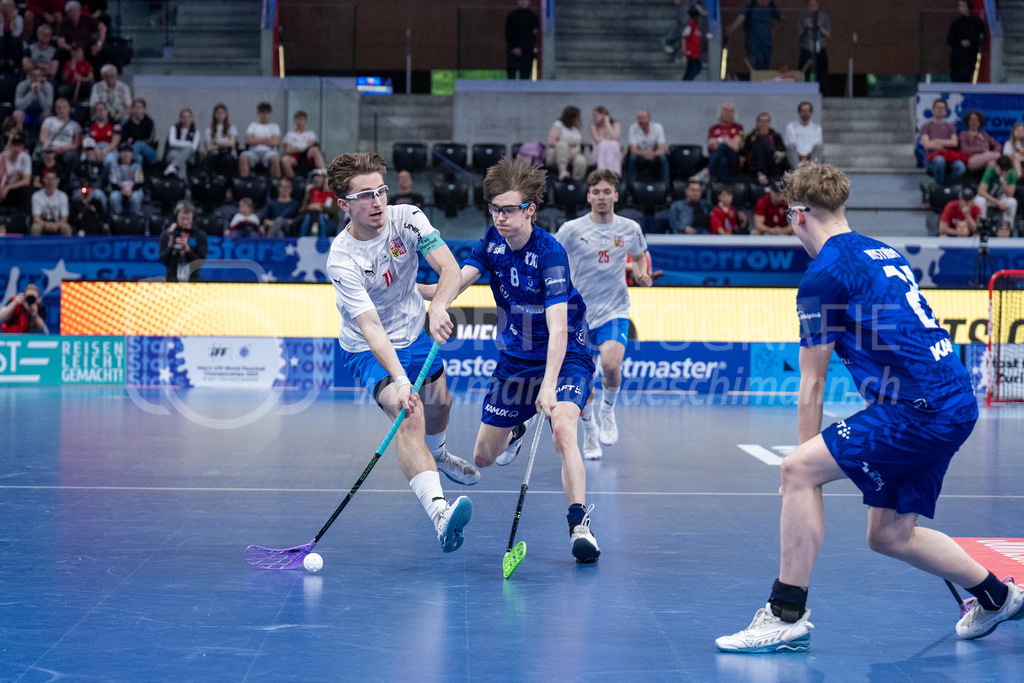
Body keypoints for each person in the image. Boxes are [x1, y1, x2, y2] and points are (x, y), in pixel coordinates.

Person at [715, 161, 1023, 653]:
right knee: (890, 534)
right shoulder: (883, 251)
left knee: (798, 469)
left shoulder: (823, 275)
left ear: (797, 215)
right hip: (954, 399)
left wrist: (799, 467)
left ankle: (785, 613)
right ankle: (995, 595)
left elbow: (812, 383)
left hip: (918, 410)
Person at [419, 155, 601, 564]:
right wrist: (415, 292)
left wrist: (550, 387)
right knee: (484, 456)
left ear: (529, 209)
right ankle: (516, 428)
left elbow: (557, 329)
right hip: (516, 360)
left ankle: (579, 526)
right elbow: (454, 284)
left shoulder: (550, 253)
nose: (500, 217)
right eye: (494, 209)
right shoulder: (491, 241)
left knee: (563, 430)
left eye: (508, 209)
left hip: (566, 352)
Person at [324, 152, 479, 554]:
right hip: (370, 349)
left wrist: (439, 306)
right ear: (344, 204)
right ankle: (441, 514)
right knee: (410, 413)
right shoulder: (342, 259)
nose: (377, 202)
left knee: (441, 405)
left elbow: (449, 269)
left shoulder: (407, 218)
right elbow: (371, 326)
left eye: (381, 191)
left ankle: (440, 452)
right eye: (365, 195)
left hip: (415, 330)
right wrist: (398, 378)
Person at [556, 169, 652, 460]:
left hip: (615, 308)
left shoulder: (630, 228)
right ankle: (590, 431)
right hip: (578, 315)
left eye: (606, 191)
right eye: (596, 192)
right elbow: (552, 256)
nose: (601, 197)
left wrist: (641, 272)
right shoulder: (572, 230)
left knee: (611, 365)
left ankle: (608, 412)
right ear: (588, 196)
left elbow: (637, 257)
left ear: (615, 196)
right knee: (584, 381)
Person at [158, 200, 208, 283]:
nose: (185, 222)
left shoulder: (200, 235)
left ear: (193, 217)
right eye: (182, 218)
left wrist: (188, 250)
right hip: (172, 280)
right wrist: (170, 246)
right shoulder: (168, 234)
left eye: (188, 219)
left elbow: (200, 262)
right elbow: (163, 260)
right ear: (176, 217)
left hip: (193, 280)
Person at [919, 98, 965, 186]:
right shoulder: (926, 126)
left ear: (946, 112)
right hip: (932, 159)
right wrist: (946, 142)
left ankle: (947, 186)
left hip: (949, 158)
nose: (940, 110)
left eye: (942, 108)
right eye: (937, 107)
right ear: (932, 110)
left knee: (960, 167)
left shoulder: (950, 126)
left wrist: (936, 141)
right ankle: (938, 186)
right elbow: (927, 145)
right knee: (940, 161)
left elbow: (954, 143)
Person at [727, 0, 781, 71]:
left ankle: (763, 80)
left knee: (766, 63)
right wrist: (731, 29)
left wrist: (773, 30)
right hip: (753, 40)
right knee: (759, 61)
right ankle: (757, 80)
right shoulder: (751, 5)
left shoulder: (772, 6)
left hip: (767, 41)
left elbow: (780, 19)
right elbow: (741, 18)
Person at [625, 109, 670, 188]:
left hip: (654, 155)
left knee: (663, 158)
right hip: (640, 156)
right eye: (639, 118)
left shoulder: (658, 127)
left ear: (649, 118)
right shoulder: (633, 128)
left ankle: (666, 187)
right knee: (632, 158)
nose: (641, 120)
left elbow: (662, 149)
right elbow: (633, 150)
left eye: (643, 118)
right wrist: (644, 153)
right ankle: (630, 188)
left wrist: (653, 153)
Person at [703, 102, 745, 183]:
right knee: (723, 160)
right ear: (720, 113)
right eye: (725, 110)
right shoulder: (714, 128)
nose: (728, 113)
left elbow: (736, 146)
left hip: (733, 158)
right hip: (718, 158)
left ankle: (707, 170)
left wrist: (719, 141)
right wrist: (728, 141)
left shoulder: (738, 128)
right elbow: (710, 145)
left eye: (730, 111)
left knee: (722, 147)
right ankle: (722, 187)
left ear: (734, 114)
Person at [973, 155, 1018, 228]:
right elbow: (981, 191)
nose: (1003, 172)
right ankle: (981, 226)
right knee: (980, 200)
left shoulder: (1012, 173)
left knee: (1012, 202)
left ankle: (1008, 227)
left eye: (1006, 171)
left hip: (1001, 198)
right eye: (1001, 170)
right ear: (997, 166)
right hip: (989, 198)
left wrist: (1003, 182)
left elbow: (1010, 194)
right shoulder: (990, 171)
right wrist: (997, 202)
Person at [239, 102, 281, 179]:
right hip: (253, 152)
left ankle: (275, 183)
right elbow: (248, 141)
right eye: (262, 112)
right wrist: (267, 139)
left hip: (269, 152)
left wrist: (256, 139)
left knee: (275, 159)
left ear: (270, 113)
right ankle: (245, 183)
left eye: (266, 112)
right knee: (243, 157)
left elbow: (275, 142)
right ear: (258, 114)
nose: (264, 115)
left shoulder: (274, 126)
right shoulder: (253, 125)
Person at [743, 111, 787, 185]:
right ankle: (761, 172)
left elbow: (782, 149)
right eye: (761, 121)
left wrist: (777, 153)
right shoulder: (751, 137)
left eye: (766, 121)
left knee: (765, 140)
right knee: (761, 140)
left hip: (772, 160)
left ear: (769, 123)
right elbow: (745, 151)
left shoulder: (775, 136)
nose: (764, 123)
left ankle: (762, 173)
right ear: (757, 123)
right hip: (755, 162)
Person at [948, 0, 986, 83]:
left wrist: (971, 42)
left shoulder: (976, 22)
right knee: (956, 77)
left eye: (963, 6)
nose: (960, 8)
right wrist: (960, 42)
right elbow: (950, 39)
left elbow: (981, 37)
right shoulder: (956, 24)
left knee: (965, 76)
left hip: (970, 56)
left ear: (968, 7)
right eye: (960, 6)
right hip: (957, 56)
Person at [38, 97, 81, 170]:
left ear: (69, 108)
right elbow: (42, 137)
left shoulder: (75, 125)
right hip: (51, 147)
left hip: (67, 149)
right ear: (56, 109)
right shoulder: (49, 121)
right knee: (45, 154)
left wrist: (67, 148)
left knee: (72, 156)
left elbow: (76, 143)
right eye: (59, 108)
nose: (62, 110)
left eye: (64, 107)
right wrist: (53, 147)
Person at [797, 0, 830, 94]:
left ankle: (823, 92)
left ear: (818, 6)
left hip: (820, 48)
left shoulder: (824, 17)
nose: (812, 8)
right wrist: (805, 25)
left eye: (814, 5)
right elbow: (798, 35)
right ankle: (804, 91)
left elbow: (828, 34)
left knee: (822, 72)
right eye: (810, 5)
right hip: (806, 48)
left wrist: (818, 26)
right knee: (804, 71)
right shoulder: (802, 17)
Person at [546, 106, 587, 181]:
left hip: (572, 154)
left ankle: (576, 181)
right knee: (562, 144)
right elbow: (550, 141)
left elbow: (576, 141)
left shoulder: (574, 129)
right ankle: (563, 172)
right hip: (557, 154)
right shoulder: (558, 125)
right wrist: (568, 144)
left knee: (581, 160)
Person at [281, 110, 325, 179]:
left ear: (305, 121)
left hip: (307, 155)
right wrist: (304, 147)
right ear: (294, 121)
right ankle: (293, 181)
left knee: (315, 150)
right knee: (285, 160)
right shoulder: (290, 134)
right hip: (295, 156)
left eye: (302, 120)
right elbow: (288, 150)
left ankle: (324, 173)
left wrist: (297, 149)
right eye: (298, 119)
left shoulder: (310, 134)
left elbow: (312, 145)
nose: (300, 122)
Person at [297, 167, 339, 237]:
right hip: (311, 218)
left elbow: (334, 213)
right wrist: (311, 207)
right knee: (308, 216)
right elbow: (302, 209)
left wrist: (321, 207)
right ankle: (303, 238)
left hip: (329, 222)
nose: (327, 185)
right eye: (325, 183)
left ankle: (321, 239)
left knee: (320, 216)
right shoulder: (313, 193)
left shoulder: (334, 197)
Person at [117, 97, 156, 167]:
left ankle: (125, 164)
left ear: (144, 110)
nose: (137, 110)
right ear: (132, 109)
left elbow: (149, 140)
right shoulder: (127, 122)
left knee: (139, 144)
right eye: (135, 107)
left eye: (140, 108)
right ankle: (135, 176)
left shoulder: (149, 122)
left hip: (148, 151)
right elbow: (123, 138)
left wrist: (133, 140)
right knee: (138, 158)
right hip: (132, 151)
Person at [30, 168, 70, 235]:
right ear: (43, 180)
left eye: (53, 179)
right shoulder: (36, 196)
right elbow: (36, 218)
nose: (50, 181)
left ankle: (68, 245)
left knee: (66, 228)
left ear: (57, 180)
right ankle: (35, 245)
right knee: (35, 228)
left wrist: (56, 225)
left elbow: (64, 218)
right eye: (48, 178)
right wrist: (46, 225)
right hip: (42, 223)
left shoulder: (63, 196)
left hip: (57, 222)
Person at [0, 132, 34, 213]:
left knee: (26, 189)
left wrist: (8, 187)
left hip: (15, 188)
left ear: (22, 147)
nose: (17, 149)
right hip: (2, 186)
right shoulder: (2, 157)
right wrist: (2, 163)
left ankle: (23, 215)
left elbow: (26, 181)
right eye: (15, 145)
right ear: (10, 146)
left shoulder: (25, 158)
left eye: (19, 146)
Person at [784, 101, 823, 170]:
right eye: (803, 111)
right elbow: (791, 142)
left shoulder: (817, 128)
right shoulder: (791, 126)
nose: (805, 113)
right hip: (796, 156)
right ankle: (798, 171)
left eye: (807, 111)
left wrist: (806, 156)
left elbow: (816, 143)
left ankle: (813, 171)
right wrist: (801, 155)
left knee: (819, 146)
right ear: (799, 112)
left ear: (811, 112)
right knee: (791, 146)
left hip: (810, 156)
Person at [203, 103, 238, 178]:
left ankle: (229, 186)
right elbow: (209, 148)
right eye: (218, 113)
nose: (220, 115)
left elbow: (231, 143)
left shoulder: (232, 128)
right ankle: (206, 181)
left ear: (226, 114)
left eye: (222, 113)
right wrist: (224, 144)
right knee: (208, 159)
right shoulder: (209, 130)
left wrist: (216, 143)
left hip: (228, 155)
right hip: (214, 155)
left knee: (228, 160)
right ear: (214, 115)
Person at [505, 0, 538, 80]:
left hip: (527, 51)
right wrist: (514, 47)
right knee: (511, 75)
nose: (523, 2)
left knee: (525, 75)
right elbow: (508, 33)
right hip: (513, 50)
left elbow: (533, 36)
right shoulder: (512, 16)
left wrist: (525, 49)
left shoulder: (533, 17)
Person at [107, 141, 143, 215]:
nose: (126, 154)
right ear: (119, 154)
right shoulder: (114, 165)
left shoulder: (137, 166)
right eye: (123, 151)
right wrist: (122, 191)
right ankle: (117, 218)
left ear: (132, 154)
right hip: (118, 190)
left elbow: (140, 182)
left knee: (136, 197)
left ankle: (135, 217)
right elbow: (113, 183)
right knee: (114, 197)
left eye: (128, 151)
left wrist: (130, 191)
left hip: (133, 190)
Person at [163, 107, 200, 178]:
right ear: (180, 118)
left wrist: (181, 145)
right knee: (181, 159)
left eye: (188, 117)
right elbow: (172, 143)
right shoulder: (174, 128)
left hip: (190, 156)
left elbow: (193, 148)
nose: (186, 119)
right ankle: (183, 181)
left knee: (187, 152)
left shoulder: (196, 132)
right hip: (172, 153)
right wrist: (188, 144)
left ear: (192, 119)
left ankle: (173, 166)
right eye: (184, 117)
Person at [14, 65, 53, 131]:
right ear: (28, 76)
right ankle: (19, 136)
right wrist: (31, 93)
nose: (36, 78)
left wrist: (39, 92)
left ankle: (43, 138)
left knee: (47, 114)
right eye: (33, 75)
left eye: (39, 75)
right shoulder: (21, 85)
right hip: (26, 112)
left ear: (42, 76)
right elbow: (18, 106)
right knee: (17, 113)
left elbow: (48, 107)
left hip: (40, 113)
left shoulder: (48, 86)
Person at [589, 106, 622, 174]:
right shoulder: (593, 127)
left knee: (614, 144)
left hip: (612, 153)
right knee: (604, 144)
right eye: (593, 115)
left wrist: (607, 123)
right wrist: (610, 139)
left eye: (595, 115)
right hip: (598, 152)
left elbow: (615, 136)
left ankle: (615, 172)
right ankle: (602, 172)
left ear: (603, 116)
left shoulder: (616, 125)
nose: (594, 118)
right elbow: (598, 140)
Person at [681, 6, 703, 81]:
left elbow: (697, 37)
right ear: (695, 17)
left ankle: (686, 81)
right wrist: (684, 49)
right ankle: (687, 81)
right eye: (698, 17)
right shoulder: (690, 26)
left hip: (696, 53)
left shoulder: (696, 27)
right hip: (691, 53)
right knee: (696, 68)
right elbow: (684, 36)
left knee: (691, 69)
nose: (699, 19)